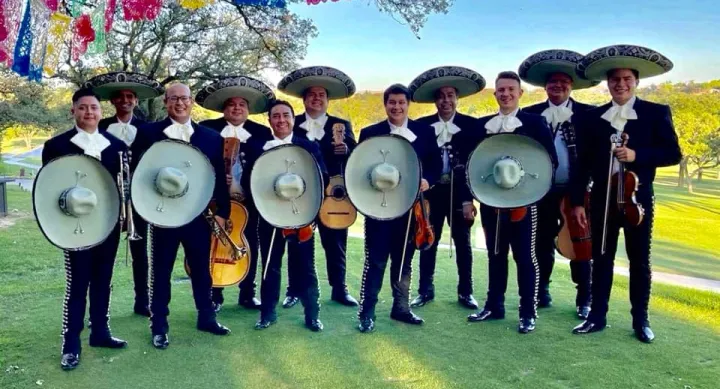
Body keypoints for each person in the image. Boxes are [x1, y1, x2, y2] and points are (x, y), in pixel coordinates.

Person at [571, 45, 681, 343]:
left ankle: (640, 320)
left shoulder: (656, 113)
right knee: (601, 258)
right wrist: (578, 202)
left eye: (626, 79)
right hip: (601, 201)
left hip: (637, 200)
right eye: (615, 79)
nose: (620, 84)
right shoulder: (591, 118)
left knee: (639, 261)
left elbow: (673, 153)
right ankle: (597, 317)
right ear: (608, 83)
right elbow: (581, 164)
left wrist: (636, 154)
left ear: (636, 81)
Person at [132, 83, 231, 349]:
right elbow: (137, 175)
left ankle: (206, 317)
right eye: (174, 98)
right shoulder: (147, 132)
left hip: (198, 214)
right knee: (161, 271)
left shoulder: (212, 137)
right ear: (165, 102)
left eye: (184, 98)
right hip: (162, 214)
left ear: (191, 102)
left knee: (202, 270)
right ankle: (159, 326)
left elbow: (219, 178)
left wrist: (223, 211)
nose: (180, 103)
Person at [41, 88, 128, 370]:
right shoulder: (56, 145)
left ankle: (100, 333)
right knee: (78, 284)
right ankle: (71, 343)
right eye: (83, 108)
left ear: (101, 112)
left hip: (108, 222)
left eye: (93, 108)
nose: (89, 113)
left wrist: (124, 217)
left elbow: (121, 188)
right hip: (74, 225)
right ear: (73, 111)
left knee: (103, 280)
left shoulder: (115, 145)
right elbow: (49, 190)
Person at [465, 71, 558, 334]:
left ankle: (528, 312)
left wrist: (530, 189)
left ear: (519, 93)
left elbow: (551, 162)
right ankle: (494, 306)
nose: (505, 94)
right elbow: (471, 165)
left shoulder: (535, 123)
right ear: (495, 95)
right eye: (501, 90)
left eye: (510, 89)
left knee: (525, 257)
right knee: (496, 254)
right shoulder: (483, 125)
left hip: (524, 202)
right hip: (492, 203)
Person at [356, 84, 442, 333]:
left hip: (410, 207)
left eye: (401, 102)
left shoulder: (424, 132)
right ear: (385, 105)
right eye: (392, 102)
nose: (396, 107)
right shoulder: (370, 132)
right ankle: (367, 313)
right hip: (378, 208)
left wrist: (429, 180)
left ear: (408, 105)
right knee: (376, 261)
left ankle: (401, 308)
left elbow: (435, 164)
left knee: (404, 261)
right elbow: (360, 170)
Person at [518, 50, 598, 318]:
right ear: (545, 86)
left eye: (564, 82)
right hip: (541, 191)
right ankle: (542, 290)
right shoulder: (530, 115)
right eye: (552, 82)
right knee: (540, 242)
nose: (558, 86)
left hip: (576, 190)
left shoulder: (588, 114)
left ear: (571, 85)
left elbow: (591, 158)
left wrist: (580, 194)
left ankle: (584, 297)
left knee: (581, 243)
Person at [276, 66, 359, 308]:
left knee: (336, 244)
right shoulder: (293, 123)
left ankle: (339, 289)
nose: (316, 98)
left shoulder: (341, 124)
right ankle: (294, 290)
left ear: (327, 99)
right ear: (304, 99)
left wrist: (347, 151)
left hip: (334, 195)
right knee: (297, 243)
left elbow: (356, 157)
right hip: (299, 194)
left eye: (321, 94)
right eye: (311, 94)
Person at [242, 100, 327, 332]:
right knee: (270, 265)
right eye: (276, 116)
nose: (281, 120)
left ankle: (312, 315)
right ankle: (267, 314)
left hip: (301, 216)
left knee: (306, 267)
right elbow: (247, 181)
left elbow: (323, 179)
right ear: (269, 121)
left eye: (285, 115)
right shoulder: (257, 146)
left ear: (293, 118)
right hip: (269, 215)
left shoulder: (308, 146)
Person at [86, 71, 164, 317]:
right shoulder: (99, 126)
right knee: (102, 254)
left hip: (138, 199)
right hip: (108, 197)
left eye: (130, 96)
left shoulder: (148, 130)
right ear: (112, 101)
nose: (125, 100)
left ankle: (143, 301)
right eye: (119, 97)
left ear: (136, 101)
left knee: (140, 253)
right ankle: (99, 309)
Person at [195, 76, 275, 311]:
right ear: (224, 108)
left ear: (248, 109)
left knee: (250, 244)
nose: (237, 108)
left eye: (242, 105)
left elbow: (267, 164)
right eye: (232, 104)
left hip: (250, 200)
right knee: (215, 243)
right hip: (216, 200)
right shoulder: (208, 129)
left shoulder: (261, 132)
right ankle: (215, 294)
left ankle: (247, 294)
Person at [408, 66, 486, 310]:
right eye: (441, 96)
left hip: (459, 194)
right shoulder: (421, 126)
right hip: (430, 192)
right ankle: (425, 291)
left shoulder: (472, 126)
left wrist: (467, 199)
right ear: (435, 100)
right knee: (427, 239)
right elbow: (415, 159)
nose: (446, 100)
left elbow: (475, 164)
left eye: (450, 95)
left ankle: (465, 292)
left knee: (463, 243)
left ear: (457, 98)